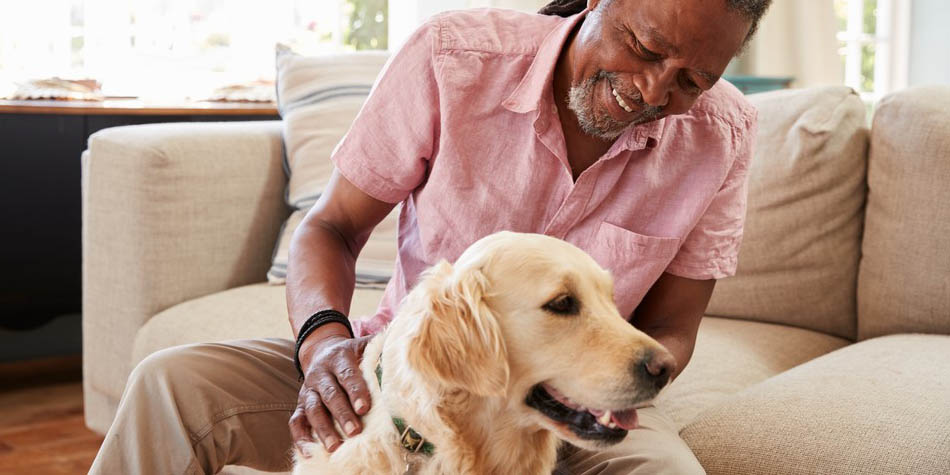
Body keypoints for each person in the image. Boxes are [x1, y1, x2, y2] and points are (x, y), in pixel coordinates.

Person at [89, 0, 772, 473]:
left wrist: (586, 397)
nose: (651, 91)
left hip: (575, 404)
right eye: (643, 47)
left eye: (691, 81)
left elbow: (671, 329)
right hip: (407, 370)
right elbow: (329, 228)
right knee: (172, 385)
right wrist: (323, 346)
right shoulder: (454, 58)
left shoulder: (723, 136)